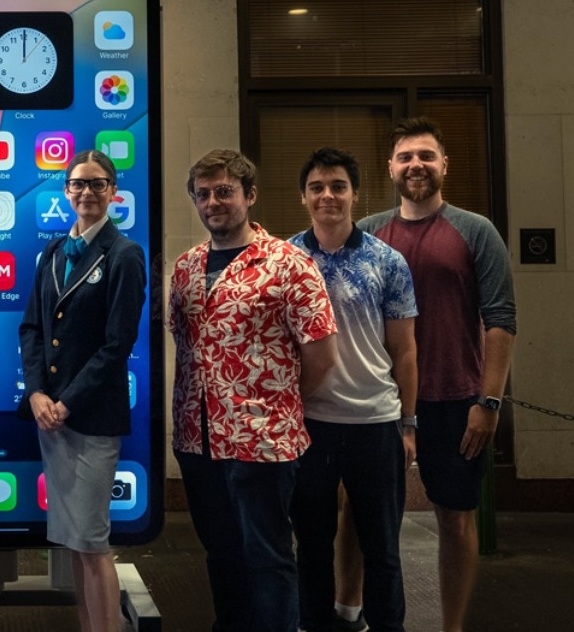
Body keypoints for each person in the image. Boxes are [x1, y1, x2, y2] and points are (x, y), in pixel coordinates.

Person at [167, 148, 337, 632]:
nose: (213, 203)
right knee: (220, 553)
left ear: (250, 195)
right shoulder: (185, 268)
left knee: (268, 556)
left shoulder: (289, 264)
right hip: (197, 440)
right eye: (203, 194)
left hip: (261, 441)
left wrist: (276, 403)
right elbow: (185, 342)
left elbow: (322, 355)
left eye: (224, 191)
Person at [358, 117, 516, 632]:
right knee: (366, 520)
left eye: (426, 155)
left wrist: (489, 403)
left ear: (444, 164)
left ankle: (452, 627)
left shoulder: (476, 231)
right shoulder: (368, 234)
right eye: (405, 157)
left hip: (456, 401)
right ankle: (361, 616)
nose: (416, 165)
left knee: (455, 518)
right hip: (381, 403)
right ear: (390, 167)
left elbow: (501, 319)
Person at [287, 147, 419, 632]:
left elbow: (405, 349)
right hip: (309, 424)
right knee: (311, 546)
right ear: (303, 197)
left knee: (382, 547)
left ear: (355, 194)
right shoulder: (285, 260)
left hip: (375, 421)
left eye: (338, 186)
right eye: (317, 187)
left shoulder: (387, 261)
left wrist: (408, 424)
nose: (328, 195)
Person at [18, 149, 146, 632]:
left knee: (92, 541)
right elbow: (32, 328)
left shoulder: (125, 254)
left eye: (97, 183)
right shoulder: (54, 251)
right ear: (66, 191)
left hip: (89, 415)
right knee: (72, 538)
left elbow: (117, 345)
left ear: (113, 192)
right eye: (78, 183)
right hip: (49, 416)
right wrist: (37, 394)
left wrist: (66, 402)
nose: (87, 192)